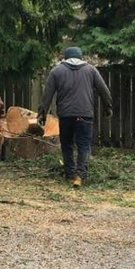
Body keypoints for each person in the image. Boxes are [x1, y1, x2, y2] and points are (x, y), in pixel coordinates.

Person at [38, 47, 112, 187]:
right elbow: (104, 90)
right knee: (83, 145)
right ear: (80, 57)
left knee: (67, 145)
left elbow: (47, 95)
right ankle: (80, 176)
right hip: (85, 114)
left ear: (65, 58)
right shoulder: (91, 70)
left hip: (66, 115)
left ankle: (70, 175)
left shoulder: (57, 71)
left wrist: (42, 114)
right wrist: (108, 107)